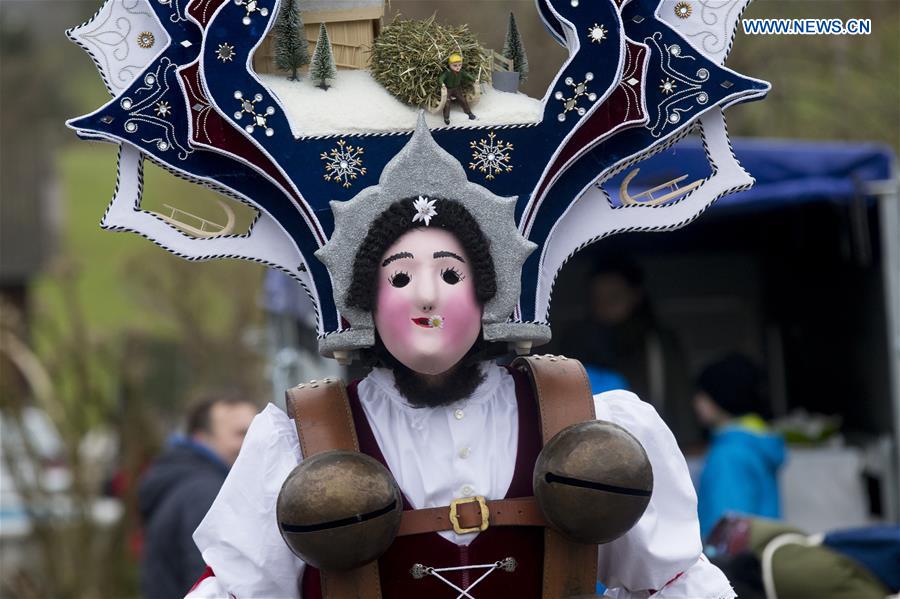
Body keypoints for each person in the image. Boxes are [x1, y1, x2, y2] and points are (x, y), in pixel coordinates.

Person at [186, 125, 734, 599]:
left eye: (450, 274)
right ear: (367, 300)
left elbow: (674, 581)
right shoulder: (295, 442)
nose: (426, 296)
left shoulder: (589, 420)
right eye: (400, 277)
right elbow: (236, 589)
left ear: (486, 293)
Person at [556, 260, 699, 446]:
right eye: (597, 298)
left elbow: (679, 400)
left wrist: (686, 443)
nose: (604, 305)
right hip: (590, 443)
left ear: (635, 295)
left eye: (614, 297)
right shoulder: (576, 340)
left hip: (651, 440)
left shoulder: (656, 341)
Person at [138, 392, 257, 599]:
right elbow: (211, 583)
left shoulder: (183, 482)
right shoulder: (206, 495)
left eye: (257, 431)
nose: (253, 441)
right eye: (241, 433)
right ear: (202, 438)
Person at [694, 354, 786, 539]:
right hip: (760, 554)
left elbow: (725, 529)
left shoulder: (728, 455)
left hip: (733, 564)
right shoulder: (757, 442)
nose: (695, 402)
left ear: (720, 397)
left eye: (702, 395)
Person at [439, 53, 477, 125]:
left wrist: (474, 79)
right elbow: (441, 78)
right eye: (455, 65)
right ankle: (446, 117)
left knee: (463, 99)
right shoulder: (448, 72)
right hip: (448, 89)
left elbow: (467, 75)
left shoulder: (461, 72)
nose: (458, 67)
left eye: (459, 65)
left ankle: (469, 113)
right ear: (450, 65)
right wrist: (442, 84)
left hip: (457, 88)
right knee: (447, 102)